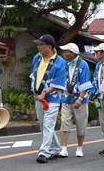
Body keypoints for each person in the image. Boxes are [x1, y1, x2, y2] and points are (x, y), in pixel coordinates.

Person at [31, 34, 66, 163]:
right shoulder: (37, 58)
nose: (38, 47)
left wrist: (45, 93)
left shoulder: (60, 62)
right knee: (44, 125)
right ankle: (56, 148)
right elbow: (34, 75)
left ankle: (44, 152)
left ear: (49, 47)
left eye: (41, 45)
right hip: (38, 97)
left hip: (52, 98)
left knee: (48, 125)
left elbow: (59, 81)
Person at [59, 43, 93, 158]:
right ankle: (64, 148)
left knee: (81, 125)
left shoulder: (83, 65)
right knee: (65, 122)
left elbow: (85, 83)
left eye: (65, 52)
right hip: (66, 97)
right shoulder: (64, 63)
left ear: (72, 54)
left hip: (80, 99)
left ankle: (79, 147)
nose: (63, 54)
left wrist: (80, 98)